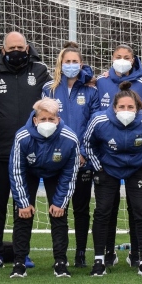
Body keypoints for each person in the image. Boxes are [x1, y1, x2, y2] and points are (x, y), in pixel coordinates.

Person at [0, 32, 50, 270]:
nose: (16, 51)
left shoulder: (40, 71)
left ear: (27, 48)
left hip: (29, 153)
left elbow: (58, 87)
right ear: (3, 50)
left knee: (24, 206)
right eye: (11, 48)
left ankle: (22, 252)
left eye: (20, 47)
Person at [83, 81, 142, 277]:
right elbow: (88, 143)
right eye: (122, 107)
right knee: (102, 211)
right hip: (107, 168)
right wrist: (98, 166)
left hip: (137, 168)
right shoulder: (99, 120)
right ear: (114, 107)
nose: (126, 110)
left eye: (130, 107)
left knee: (141, 211)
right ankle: (99, 260)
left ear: (138, 108)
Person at [7, 98, 80, 279]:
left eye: (51, 119)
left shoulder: (70, 138)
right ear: (35, 120)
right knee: (23, 215)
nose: (47, 122)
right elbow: (16, 170)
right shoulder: (22, 136)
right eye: (43, 119)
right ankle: (19, 263)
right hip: (29, 172)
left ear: (58, 119)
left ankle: (60, 262)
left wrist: (60, 202)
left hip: (56, 173)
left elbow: (70, 173)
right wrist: (23, 203)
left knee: (59, 215)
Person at [42, 41, 99, 268]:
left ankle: (81, 254)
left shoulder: (91, 90)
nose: (71, 65)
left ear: (81, 64)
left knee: (81, 209)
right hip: (57, 160)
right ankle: (60, 256)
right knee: (59, 208)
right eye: (68, 61)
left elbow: (94, 124)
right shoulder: (49, 89)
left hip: (83, 160)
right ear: (60, 63)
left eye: (75, 61)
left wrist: (83, 152)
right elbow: (45, 123)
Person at [96, 44, 142, 113]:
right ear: (112, 59)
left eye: (126, 58)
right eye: (118, 57)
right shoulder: (101, 81)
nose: (122, 61)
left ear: (132, 60)